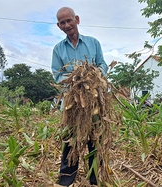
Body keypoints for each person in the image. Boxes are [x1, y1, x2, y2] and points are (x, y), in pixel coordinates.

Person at [51, 7, 108, 186]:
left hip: (94, 102)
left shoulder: (93, 43)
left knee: (95, 140)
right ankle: (66, 180)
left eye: (69, 20)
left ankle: (95, 179)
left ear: (77, 19)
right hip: (71, 104)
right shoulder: (58, 49)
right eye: (62, 23)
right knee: (70, 142)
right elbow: (57, 75)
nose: (67, 25)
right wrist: (75, 79)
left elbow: (102, 65)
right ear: (59, 26)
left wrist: (92, 75)